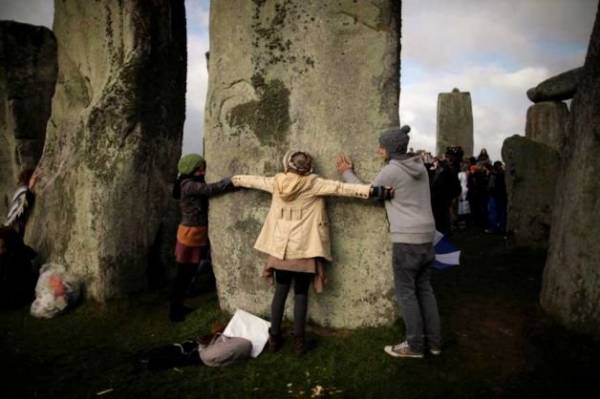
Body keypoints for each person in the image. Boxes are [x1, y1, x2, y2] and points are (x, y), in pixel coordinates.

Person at [232, 150, 393, 355]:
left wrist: (234, 180)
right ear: (309, 168)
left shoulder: (276, 182)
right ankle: (299, 343)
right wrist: (377, 191)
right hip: (305, 251)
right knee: (301, 295)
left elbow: (253, 181)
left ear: (287, 165)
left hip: (280, 251)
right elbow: (342, 188)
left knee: (279, 294)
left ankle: (274, 338)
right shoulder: (314, 183)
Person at [336, 125, 441, 359]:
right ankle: (434, 343)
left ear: (390, 149)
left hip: (407, 239)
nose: (378, 149)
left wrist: (346, 173)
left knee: (406, 293)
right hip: (427, 235)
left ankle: (414, 346)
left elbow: (369, 193)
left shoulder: (392, 170)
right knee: (425, 289)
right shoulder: (420, 167)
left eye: (381, 146)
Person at [170, 154, 236, 322]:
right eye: (200, 167)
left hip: (192, 233)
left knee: (188, 272)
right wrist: (231, 181)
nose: (203, 170)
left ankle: (179, 305)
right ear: (193, 168)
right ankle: (175, 311)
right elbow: (209, 190)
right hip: (191, 235)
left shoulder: (186, 182)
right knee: (184, 274)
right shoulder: (189, 185)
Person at [0, 226, 37, 309]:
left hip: (15, 297)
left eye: (2, 247)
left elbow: (8, 284)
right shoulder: (13, 254)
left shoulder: (15, 258)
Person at [4, 168, 38, 238]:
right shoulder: (22, 191)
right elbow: (21, 209)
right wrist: (30, 188)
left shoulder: (20, 192)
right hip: (10, 231)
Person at [486, 161, 507, 234]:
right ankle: (501, 227)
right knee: (501, 213)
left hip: (494, 195)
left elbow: (490, 186)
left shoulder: (494, 175)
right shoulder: (504, 175)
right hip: (501, 196)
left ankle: (494, 228)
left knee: (494, 212)